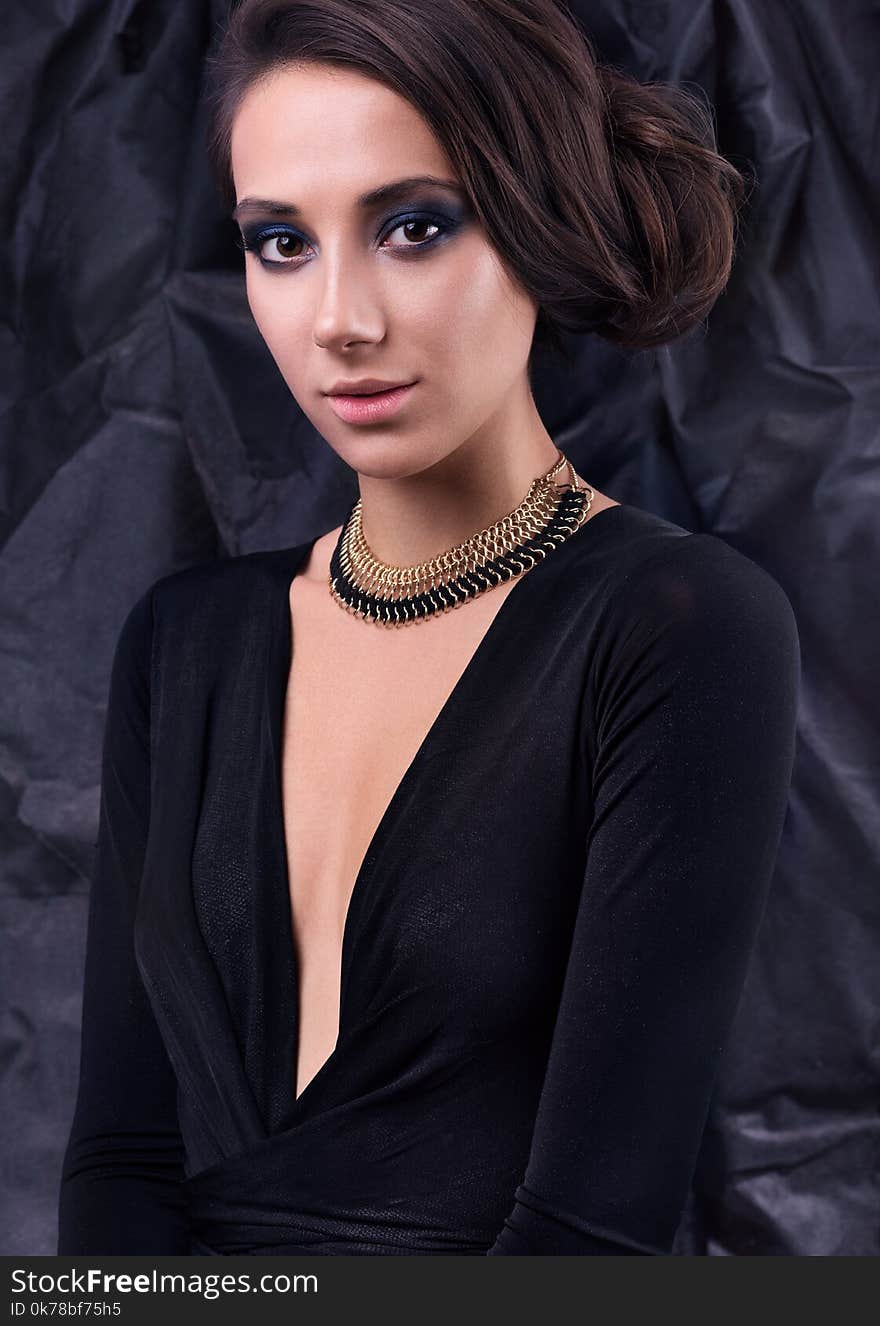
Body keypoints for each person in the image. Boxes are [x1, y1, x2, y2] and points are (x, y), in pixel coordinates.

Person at [57, 0, 800, 1256]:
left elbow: (589, 1235)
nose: (339, 318)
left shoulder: (681, 632)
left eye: (413, 226)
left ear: (535, 217)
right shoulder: (183, 645)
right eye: (281, 242)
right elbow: (119, 1164)